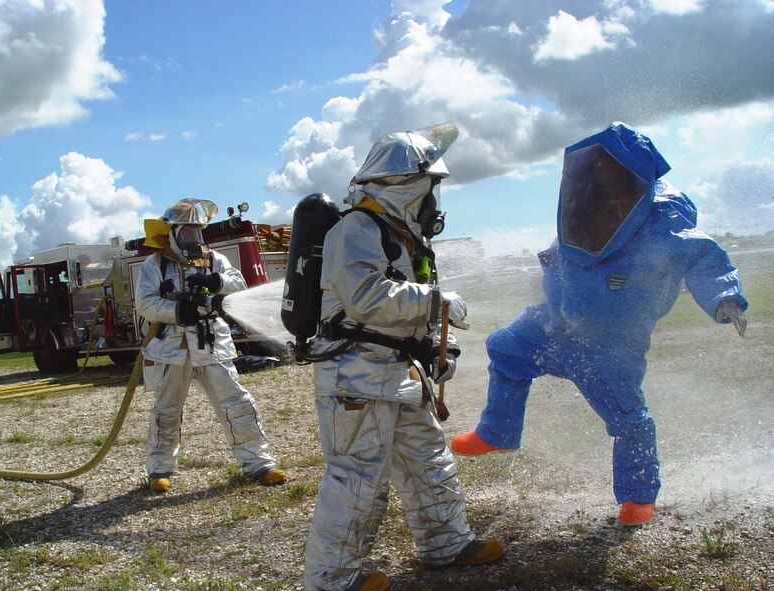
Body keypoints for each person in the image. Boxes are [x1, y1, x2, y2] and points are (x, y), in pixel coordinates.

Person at [451, 122, 748, 526]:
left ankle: (638, 498)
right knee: (506, 347)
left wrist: (724, 298)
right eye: (592, 169)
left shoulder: (661, 220)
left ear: (629, 175)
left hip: (611, 342)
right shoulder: (583, 206)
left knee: (627, 417)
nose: (593, 179)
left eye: (605, 171)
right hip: (555, 324)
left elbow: (703, 256)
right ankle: (496, 432)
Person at [303, 124, 504, 591]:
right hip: (354, 375)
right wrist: (437, 304)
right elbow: (366, 297)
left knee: (428, 460)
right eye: (430, 187)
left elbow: (423, 303)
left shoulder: (409, 241)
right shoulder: (354, 229)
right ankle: (332, 579)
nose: (435, 199)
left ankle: (446, 544)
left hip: (398, 373)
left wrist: (441, 350)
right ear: (407, 187)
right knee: (358, 477)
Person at [135, 198, 287, 493]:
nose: (193, 239)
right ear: (172, 234)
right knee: (166, 411)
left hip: (211, 344)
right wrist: (177, 312)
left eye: (196, 232)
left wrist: (216, 280)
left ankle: (260, 464)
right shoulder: (154, 265)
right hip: (172, 349)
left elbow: (238, 285)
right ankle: (159, 470)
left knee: (238, 405)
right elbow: (145, 302)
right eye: (187, 233)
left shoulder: (214, 259)